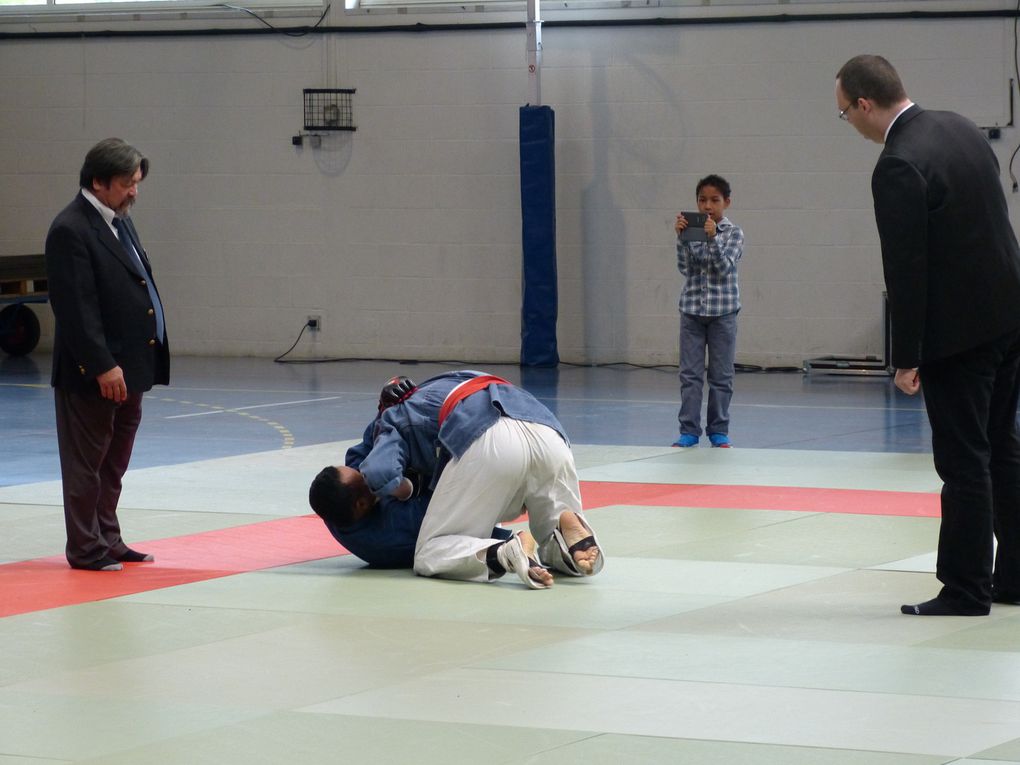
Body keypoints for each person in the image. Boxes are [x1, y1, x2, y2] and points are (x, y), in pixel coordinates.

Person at [836, 55, 1020, 616]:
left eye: (845, 113)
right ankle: (1012, 577)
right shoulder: (959, 127)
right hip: (1010, 313)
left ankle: (965, 589)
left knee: (963, 459)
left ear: (866, 104)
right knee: (1002, 450)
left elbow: (907, 269)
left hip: (960, 334)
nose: (851, 124)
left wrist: (906, 356)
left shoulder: (897, 164)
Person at [312, 371, 603, 589]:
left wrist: (404, 489)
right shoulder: (409, 402)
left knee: (430, 553)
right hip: (543, 425)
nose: (361, 469)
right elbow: (371, 465)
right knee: (550, 532)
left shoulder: (388, 427)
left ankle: (503, 553)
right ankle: (566, 538)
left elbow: (377, 471)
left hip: (488, 438)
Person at [45, 138, 169, 572]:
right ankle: (84, 548)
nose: (134, 191)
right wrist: (101, 364)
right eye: (126, 183)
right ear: (97, 182)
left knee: (113, 464)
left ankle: (108, 538)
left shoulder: (118, 220)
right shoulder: (70, 229)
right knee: (86, 465)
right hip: (96, 374)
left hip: (129, 370)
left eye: (136, 182)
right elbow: (75, 308)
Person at [308, 378, 511, 568]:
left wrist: (387, 408)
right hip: (448, 516)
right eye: (362, 478)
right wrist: (504, 540)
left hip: (403, 496)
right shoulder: (392, 528)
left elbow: (367, 449)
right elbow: (450, 510)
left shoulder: (335, 502)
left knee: (384, 458)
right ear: (360, 504)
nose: (359, 469)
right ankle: (505, 550)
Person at [672, 174, 744, 449]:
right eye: (702, 200)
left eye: (714, 200)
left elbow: (724, 268)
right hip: (691, 310)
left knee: (721, 375)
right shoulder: (692, 230)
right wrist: (682, 240)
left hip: (723, 313)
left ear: (726, 202)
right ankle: (688, 430)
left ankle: (719, 430)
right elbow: (685, 269)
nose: (708, 206)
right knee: (689, 375)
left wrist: (712, 239)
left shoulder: (734, 233)